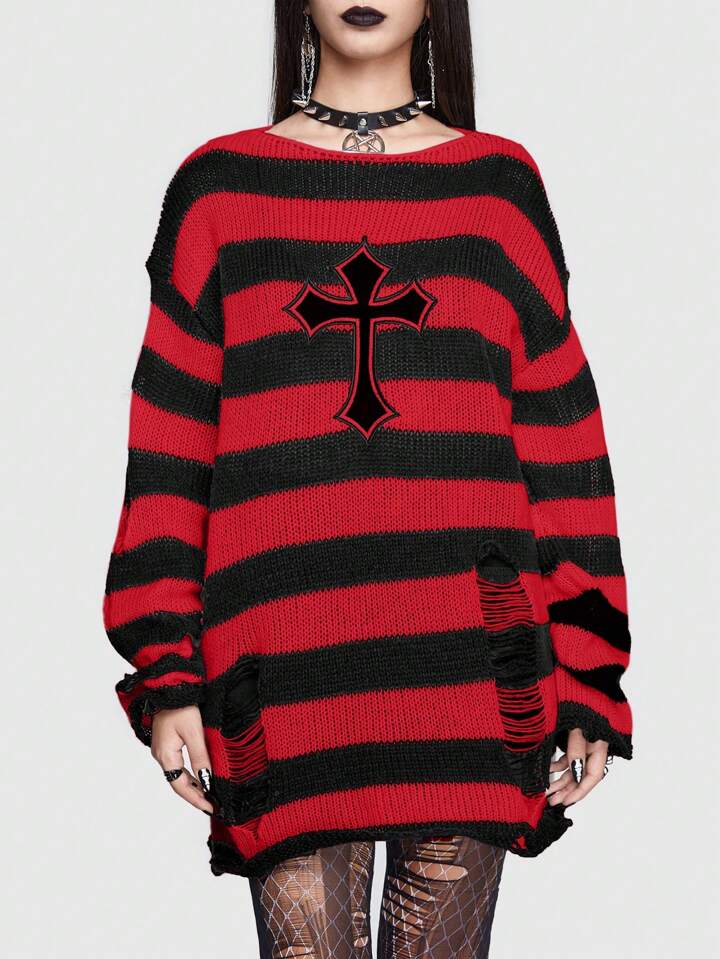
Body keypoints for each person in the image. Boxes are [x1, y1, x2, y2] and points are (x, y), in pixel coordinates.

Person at [102, 2, 634, 955]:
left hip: (469, 667)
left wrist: (591, 674)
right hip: (280, 664)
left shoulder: (498, 190)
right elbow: (169, 448)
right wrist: (166, 670)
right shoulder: (219, 190)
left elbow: (565, 447)